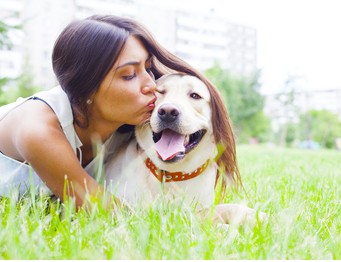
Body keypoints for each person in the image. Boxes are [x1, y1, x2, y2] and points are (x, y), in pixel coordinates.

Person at [0, 15, 240, 210]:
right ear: (87, 88)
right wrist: (213, 217)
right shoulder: (39, 129)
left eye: (147, 68)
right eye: (129, 75)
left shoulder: (133, 126)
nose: (151, 85)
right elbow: (106, 213)